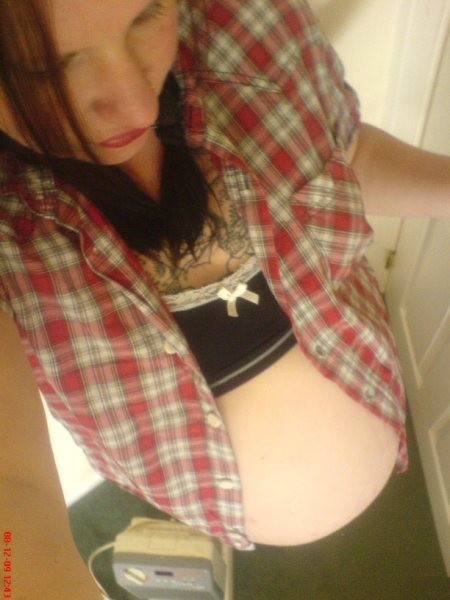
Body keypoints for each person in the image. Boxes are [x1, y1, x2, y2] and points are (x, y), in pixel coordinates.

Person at [0, 0, 449, 598]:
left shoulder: (242, 18)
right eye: (43, 67)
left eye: (147, 17)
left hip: (371, 380)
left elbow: (347, 156)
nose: (136, 105)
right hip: (209, 500)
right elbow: (14, 494)